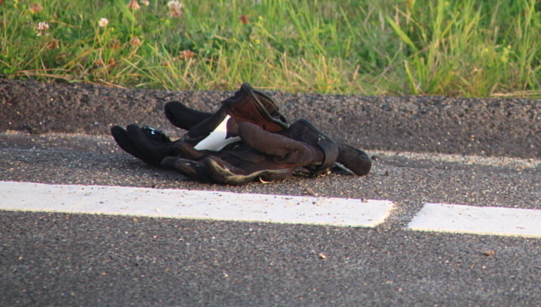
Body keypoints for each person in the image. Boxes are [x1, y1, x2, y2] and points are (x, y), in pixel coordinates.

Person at [111, 83, 371, 184]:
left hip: (312, 151)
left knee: (245, 141)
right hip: (313, 150)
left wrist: (315, 153)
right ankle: (223, 131)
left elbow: (361, 162)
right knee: (199, 146)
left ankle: (230, 131)